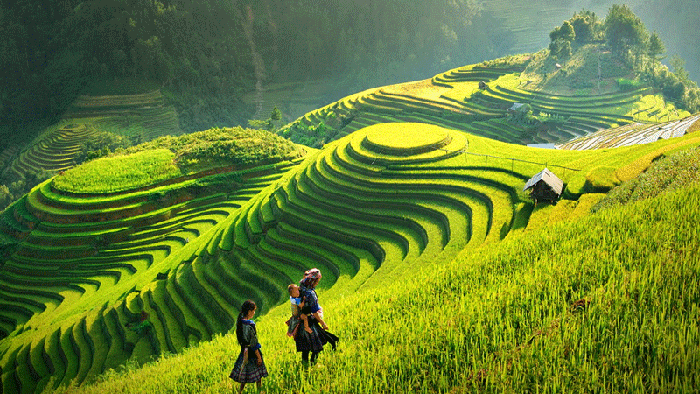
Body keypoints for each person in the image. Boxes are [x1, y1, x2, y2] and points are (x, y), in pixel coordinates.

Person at [294, 268, 339, 366]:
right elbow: (315, 312)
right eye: (317, 281)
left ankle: (305, 364)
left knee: (305, 346)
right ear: (313, 281)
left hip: (301, 320)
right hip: (310, 320)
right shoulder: (311, 294)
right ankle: (313, 363)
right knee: (317, 344)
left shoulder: (300, 288)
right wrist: (323, 322)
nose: (318, 283)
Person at [229, 300, 268, 393]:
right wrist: (258, 356)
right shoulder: (250, 325)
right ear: (249, 311)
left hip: (244, 351)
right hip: (252, 352)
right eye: (253, 311)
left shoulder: (240, 322)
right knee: (258, 374)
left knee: (245, 374)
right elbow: (254, 343)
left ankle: (240, 391)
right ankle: (259, 390)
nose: (254, 313)